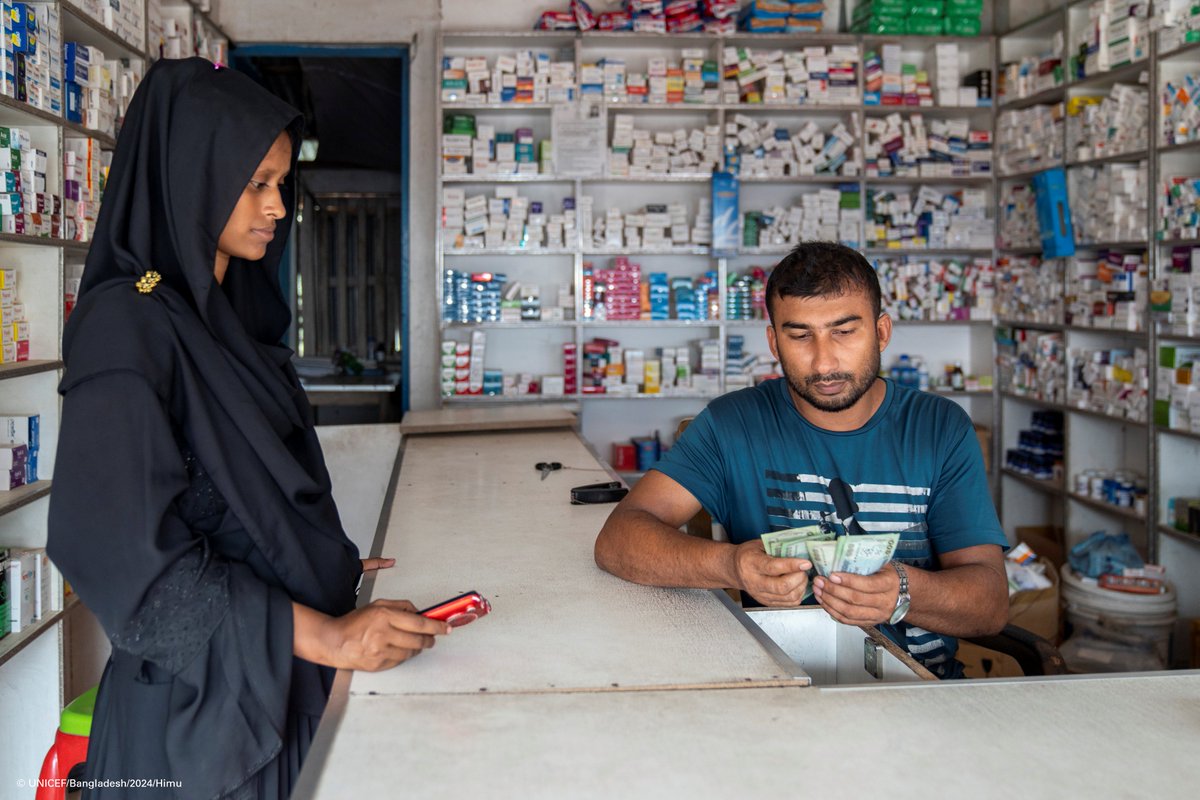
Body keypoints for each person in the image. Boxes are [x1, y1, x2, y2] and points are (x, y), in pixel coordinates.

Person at [46, 58, 449, 798]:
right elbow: (113, 550)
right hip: (190, 722)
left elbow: (236, 496)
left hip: (277, 681)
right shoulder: (126, 326)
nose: (275, 207)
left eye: (281, 183)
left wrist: (313, 562)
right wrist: (327, 634)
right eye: (255, 182)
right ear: (190, 177)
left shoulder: (233, 319)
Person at [594, 241, 1008, 678]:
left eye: (845, 332)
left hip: (922, 686)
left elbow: (991, 603)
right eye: (800, 335)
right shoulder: (733, 423)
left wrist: (904, 591)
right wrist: (732, 565)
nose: (824, 361)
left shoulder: (939, 428)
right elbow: (618, 540)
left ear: (881, 332)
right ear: (774, 341)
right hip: (784, 684)